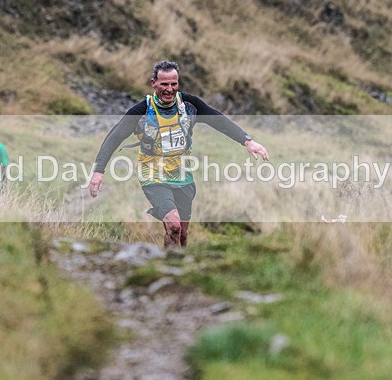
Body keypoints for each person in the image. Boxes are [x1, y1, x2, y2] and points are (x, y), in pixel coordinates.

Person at [89, 61, 270, 248]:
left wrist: (247, 141)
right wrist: (99, 171)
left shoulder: (190, 105)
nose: (169, 89)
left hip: (183, 175)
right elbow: (114, 137)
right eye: (164, 84)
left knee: (182, 233)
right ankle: (168, 270)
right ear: (153, 83)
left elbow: (218, 120)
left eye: (173, 84)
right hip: (153, 175)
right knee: (174, 225)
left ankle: (173, 266)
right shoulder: (141, 111)